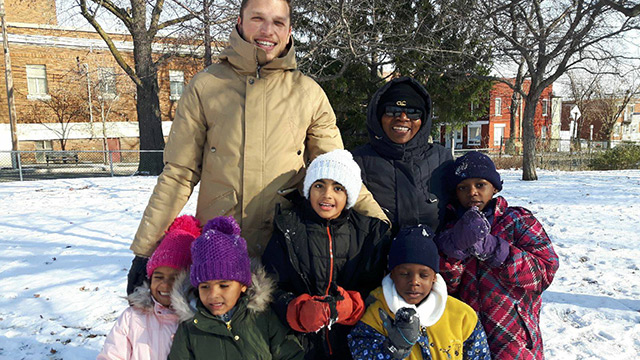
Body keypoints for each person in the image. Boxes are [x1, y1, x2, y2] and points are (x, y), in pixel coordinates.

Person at [126, 0, 386, 294]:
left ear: (289, 31)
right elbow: (179, 172)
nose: (267, 30)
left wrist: (384, 227)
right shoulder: (206, 86)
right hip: (219, 255)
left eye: (277, 22)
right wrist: (145, 249)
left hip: (287, 253)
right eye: (258, 19)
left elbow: (339, 173)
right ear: (239, 22)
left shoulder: (308, 94)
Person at [262, 149, 392, 359]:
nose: (327, 195)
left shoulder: (367, 234)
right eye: (319, 185)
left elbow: (377, 286)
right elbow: (272, 285)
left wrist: (354, 305)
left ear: (348, 194)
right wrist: (297, 310)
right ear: (308, 190)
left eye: (338, 188)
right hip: (299, 345)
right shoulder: (288, 228)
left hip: (353, 342)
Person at [434, 151, 559, 359]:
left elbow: (545, 272)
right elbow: (445, 287)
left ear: (494, 187)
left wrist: (496, 250)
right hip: (468, 338)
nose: (472, 193)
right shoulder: (450, 229)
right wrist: (454, 252)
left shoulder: (518, 221)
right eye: (463, 188)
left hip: (514, 339)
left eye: (480, 185)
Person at [168, 216, 304, 360]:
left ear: (243, 286)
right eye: (205, 286)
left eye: (224, 285)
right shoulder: (190, 327)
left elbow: (291, 354)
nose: (213, 294)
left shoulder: (263, 317)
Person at [348, 225, 491, 360]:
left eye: (424, 275)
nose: (414, 282)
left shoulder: (462, 316)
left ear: (434, 277)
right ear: (392, 274)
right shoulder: (377, 313)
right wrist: (392, 349)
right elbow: (360, 351)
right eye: (404, 274)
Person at [352, 77, 453, 237]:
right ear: (379, 116)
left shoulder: (442, 159)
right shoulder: (356, 162)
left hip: (432, 259)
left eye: (413, 112)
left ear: (424, 119)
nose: (403, 118)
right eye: (393, 110)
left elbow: (463, 210)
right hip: (375, 260)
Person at [98, 215, 201, 360]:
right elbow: (112, 355)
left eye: (174, 278)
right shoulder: (132, 318)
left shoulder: (199, 321)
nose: (165, 285)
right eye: (158, 277)